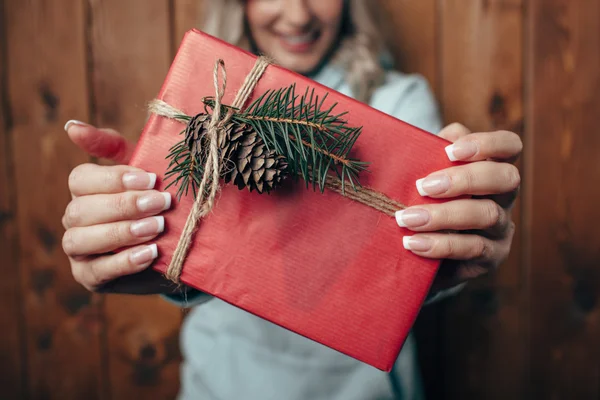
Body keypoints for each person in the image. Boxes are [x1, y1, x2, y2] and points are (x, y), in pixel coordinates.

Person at [61, 0, 521, 398]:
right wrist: (154, 237)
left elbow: (416, 257)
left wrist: (450, 251)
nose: (298, 15)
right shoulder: (210, 92)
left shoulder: (399, 99)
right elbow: (193, 259)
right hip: (222, 385)